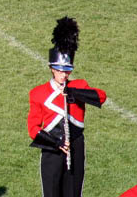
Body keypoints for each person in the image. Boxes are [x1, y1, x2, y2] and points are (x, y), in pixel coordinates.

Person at [27, 17, 106, 197]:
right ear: (51, 68)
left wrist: (76, 93)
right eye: (59, 70)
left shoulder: (78, 85)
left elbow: (101, 97)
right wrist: (56, 143)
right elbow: (33, 128)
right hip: (52, 150)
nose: (63, 74)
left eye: (67, 70)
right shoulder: (38, 93)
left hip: (76, 147)